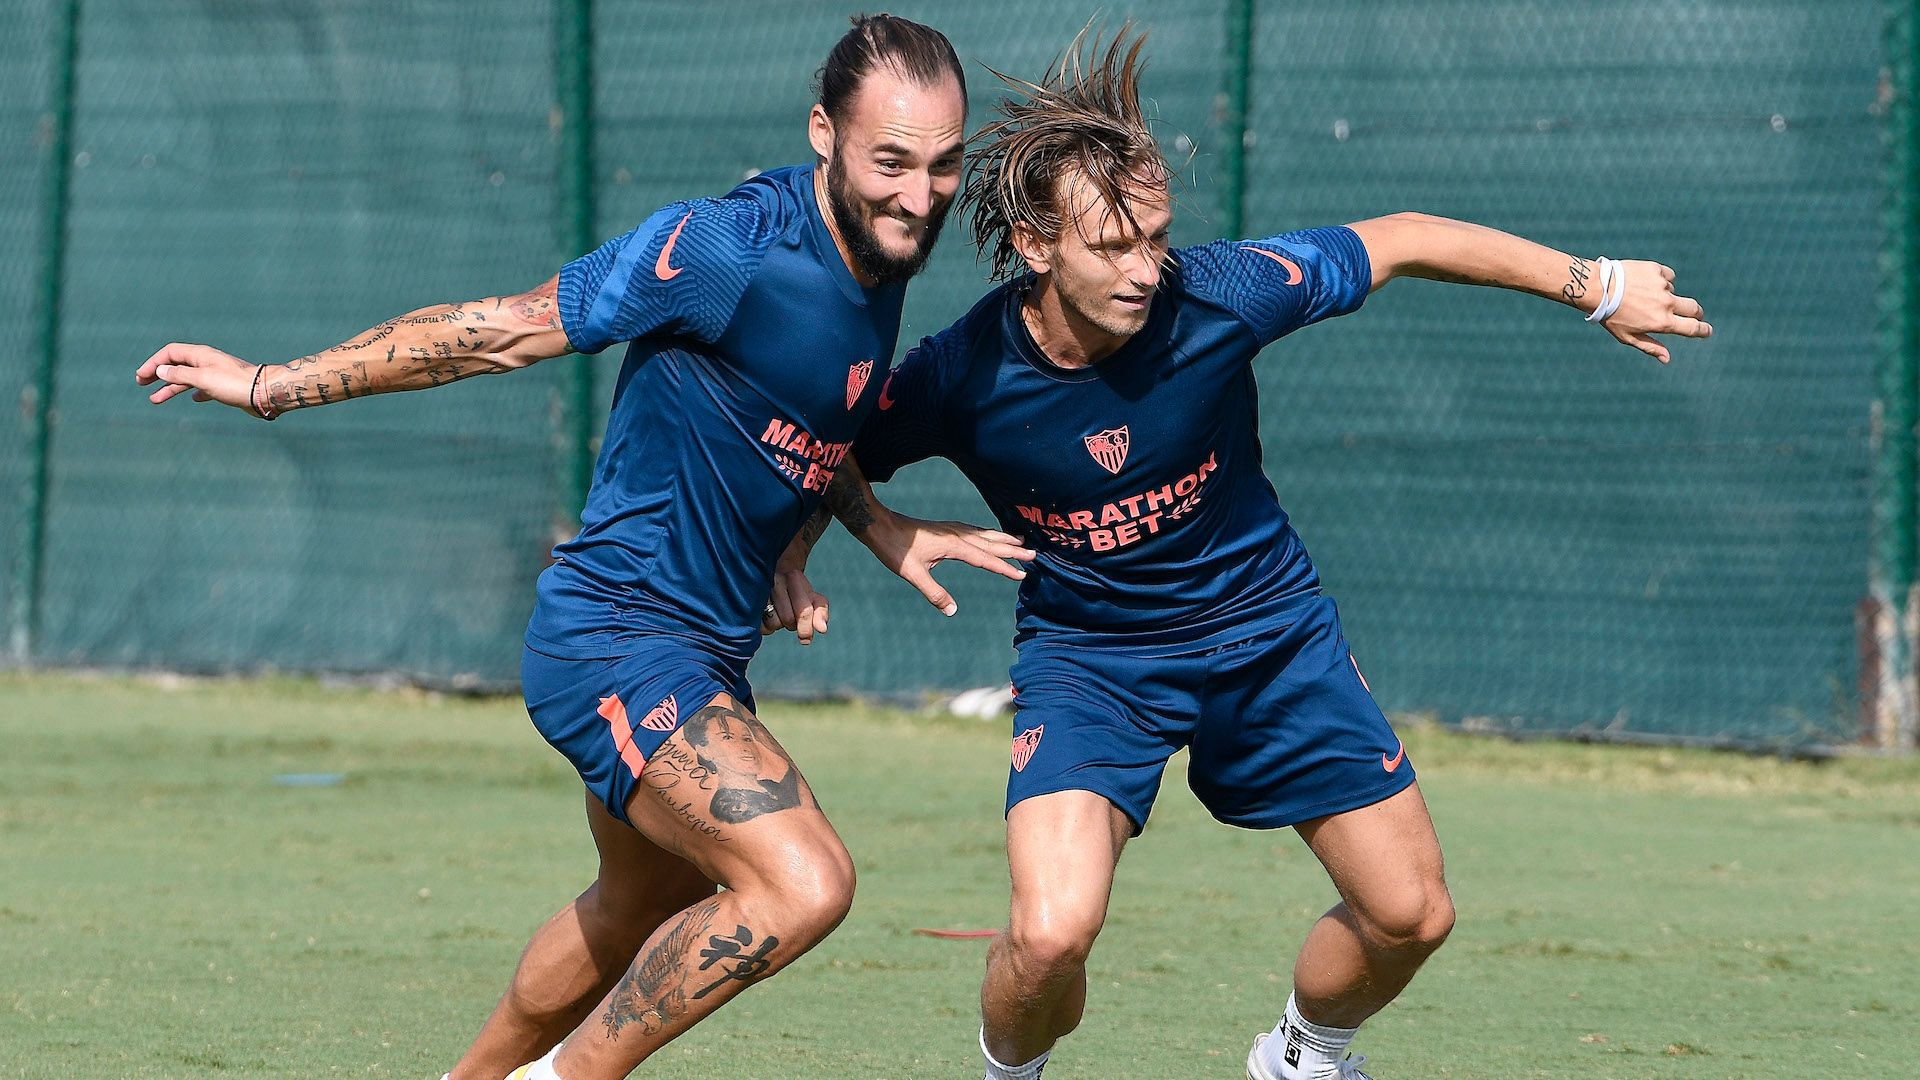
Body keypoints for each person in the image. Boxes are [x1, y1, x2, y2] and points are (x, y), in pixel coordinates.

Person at [771, 26, 1711, 1080]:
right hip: (1096, 665)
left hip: (1271, 635)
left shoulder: (1220, 295)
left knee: (1411, 915)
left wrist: (1595, 286)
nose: (1143, 271)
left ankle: (1303, 1055)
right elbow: (826, 451)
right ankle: (1010, 1073)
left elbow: (1399, 238)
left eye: (1155, 239)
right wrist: (822, 542)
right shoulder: (961, 372)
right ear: (1037, 247)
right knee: (1046, 940)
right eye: (1111, 247)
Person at [134, 15, 979, 1079]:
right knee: (805, 884)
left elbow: (802, 407)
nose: (920, 194)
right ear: (824, 133)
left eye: (946, 165)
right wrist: (272, 386)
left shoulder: (880, 250)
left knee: (633, 907)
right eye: (892, 162)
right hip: (617, 638)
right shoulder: (725, 248)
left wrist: (854, 525)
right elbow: (501, 329)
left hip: (702, 650)